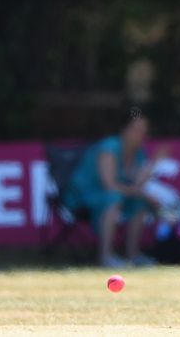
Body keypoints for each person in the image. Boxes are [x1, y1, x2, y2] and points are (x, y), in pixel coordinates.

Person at [65, 108, 160, 268]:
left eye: (144, 130)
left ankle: (134, 255)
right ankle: (106, 256)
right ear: (124, 130)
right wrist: (139, 192)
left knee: (140, 203)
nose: (141, 134)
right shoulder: (110, 147)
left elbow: (137, 185)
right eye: (137, 129)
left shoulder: (139, 152)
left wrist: (154, 163)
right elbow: (109, 185)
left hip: (115, 195)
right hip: (83, 196)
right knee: (113, 198)